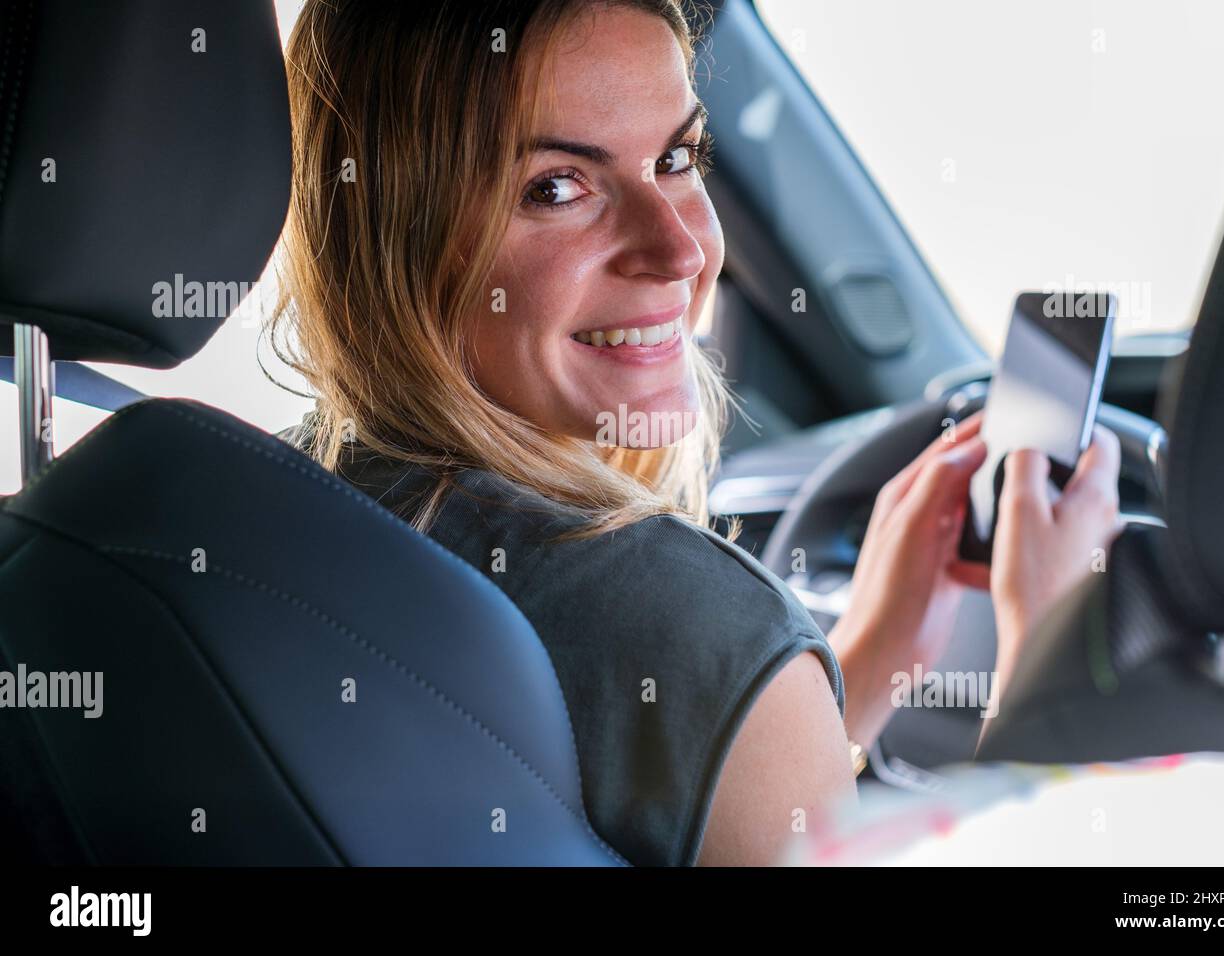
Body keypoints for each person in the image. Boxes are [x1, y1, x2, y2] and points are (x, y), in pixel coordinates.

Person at [272, 0, 1120, 866]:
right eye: (557, 188)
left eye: (676, 159)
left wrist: (856, 664)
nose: (681, 251)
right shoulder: (693, 628)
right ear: (394, 233)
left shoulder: (252, 503)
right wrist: (1048, 675)